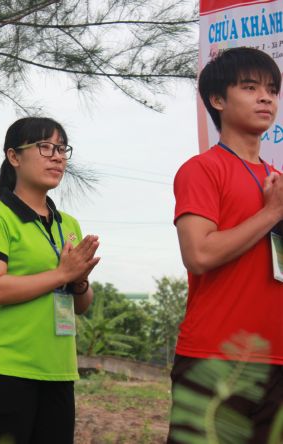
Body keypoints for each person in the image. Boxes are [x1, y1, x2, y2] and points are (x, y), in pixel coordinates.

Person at [170, 47, 283, 443]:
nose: (265, 98)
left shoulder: (278, 180)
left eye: (272, 90)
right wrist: (271, 213)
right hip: (215, 357)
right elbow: (198, 254)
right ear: (217, 99)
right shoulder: (201, 169)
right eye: (250, 88)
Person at [0, 117, 100, 444]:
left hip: (58, 368)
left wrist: (79, 281)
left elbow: (81, 305)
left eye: (61, 149)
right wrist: (62, 273)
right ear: (14, 156)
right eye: (45, 147)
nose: (57, 157)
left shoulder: (68, 224)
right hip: (8, 368)